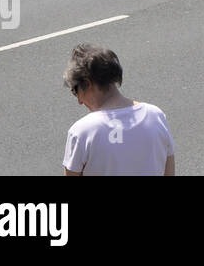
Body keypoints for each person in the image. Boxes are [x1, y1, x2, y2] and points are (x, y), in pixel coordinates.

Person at [63, 44, 174, 176]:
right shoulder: (156, 116)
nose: (79, 101)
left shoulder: (82, 132)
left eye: (75, 91)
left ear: (87, 84)